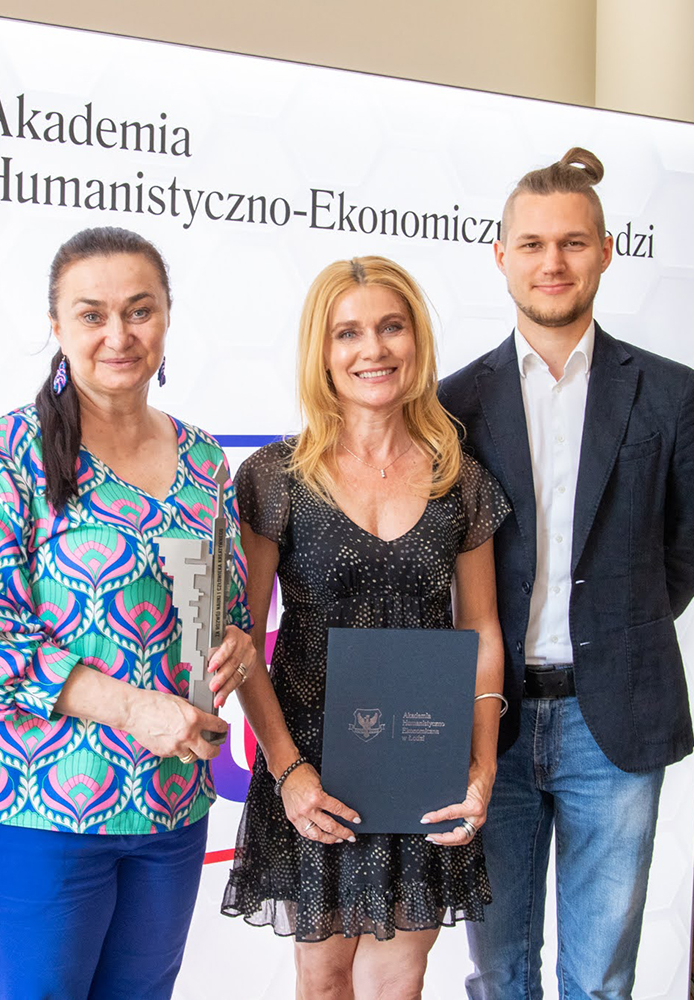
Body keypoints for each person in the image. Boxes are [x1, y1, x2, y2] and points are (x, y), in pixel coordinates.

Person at [0, 226, 260, 1000]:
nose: (119, 335)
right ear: (57, 326)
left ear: (167, 317)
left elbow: (222, 604)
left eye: (140, 311)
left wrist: (235, 644)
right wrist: (134, 709)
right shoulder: (6, 457)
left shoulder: (203, 459)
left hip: (169, 812)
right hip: (32, 812)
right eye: (92, 314)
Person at [438, 148, 694, 1000]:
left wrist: (620, 631)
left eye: (571, 242)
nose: (552, 262)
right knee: (499, 970)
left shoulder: (670, 395)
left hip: (618, 721)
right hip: (490, 720)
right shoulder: (451, 406)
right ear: (501, 257)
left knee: (600, 978)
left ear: (605, 251)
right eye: (531, 244)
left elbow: (691, 541)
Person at [222, 256, 510, 1000]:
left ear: (417, 340)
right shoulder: (275, 477)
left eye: (390, 327)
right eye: (347, 333)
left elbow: (480, 629)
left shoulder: (459, 478)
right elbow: (241, 638)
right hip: (312, 770)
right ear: (321, 351)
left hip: (423, 760)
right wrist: (287, 771)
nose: (372, 349)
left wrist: (480, 767)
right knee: (322, 981)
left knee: (398, 980)